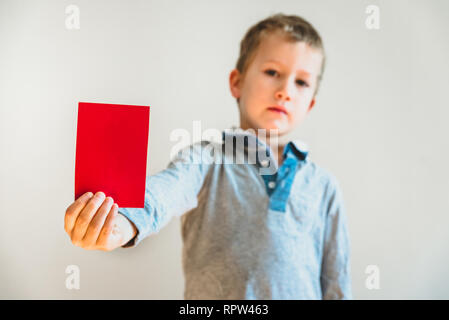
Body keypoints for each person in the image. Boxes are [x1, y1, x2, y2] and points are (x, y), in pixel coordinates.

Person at [64, 13, 352, 299]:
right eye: (272, 72)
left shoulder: (324, 187)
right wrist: (122, 221)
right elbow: (165, 192)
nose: (285, 91)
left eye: (301, 82)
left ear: (311, 104)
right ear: (236, 82)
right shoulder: (206, 160)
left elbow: (337, 281)